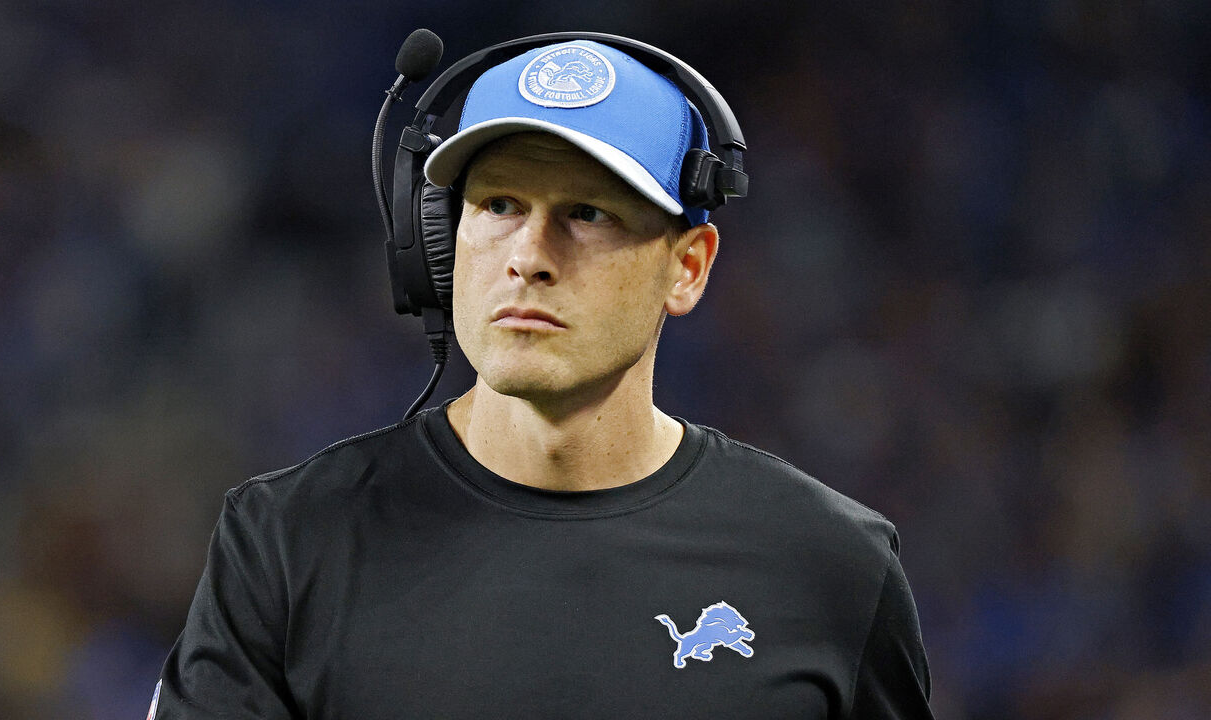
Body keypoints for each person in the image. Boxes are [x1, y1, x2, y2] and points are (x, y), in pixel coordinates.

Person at [150, 37, 933, 719]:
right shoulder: (286, 542)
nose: (528, 255)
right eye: (497, 204)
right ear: (438, 241)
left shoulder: (830, 565)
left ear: (687, 267)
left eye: (588, 214)